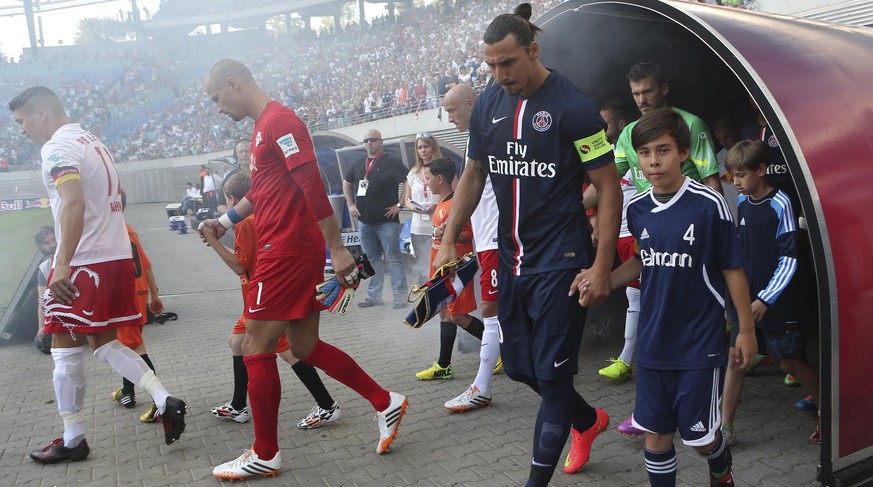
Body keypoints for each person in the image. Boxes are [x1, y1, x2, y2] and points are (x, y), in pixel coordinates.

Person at [432, 6, 622, 485]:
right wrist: (449, 238)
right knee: (519, 368)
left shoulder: (574, 107)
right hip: (513, 261)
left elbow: (610, 186)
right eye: (491, 66)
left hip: (562, 262)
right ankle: (586, 419)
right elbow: (473, 173)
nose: (500, 75)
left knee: (554, 380)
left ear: (533, 51)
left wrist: (601, 267)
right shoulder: (490, 105)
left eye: (508, 63)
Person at [201, 60, 408, 480]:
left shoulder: (282, 122)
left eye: (216, 98)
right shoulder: (263, 128)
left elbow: (313, 185)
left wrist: (337, 249)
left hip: (286, 251)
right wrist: (223, 223)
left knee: (254, 347)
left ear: (234, 83)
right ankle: (386, 401)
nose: (217, 107)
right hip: (288, 249)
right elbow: (260, 194)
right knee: (305, 344)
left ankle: (265, 453)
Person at [576, 107, 757, 487]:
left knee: (701, 438)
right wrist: (603, 280)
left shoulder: (709, 204)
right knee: (656, 437)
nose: (653, 161)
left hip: (697, 341)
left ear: (684, 153)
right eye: (645, 153)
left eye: (663, 151)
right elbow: (643, 260)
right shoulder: (638, 209)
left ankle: (721, 467)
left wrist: (745, 330)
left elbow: (732, 268)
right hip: (653, 342)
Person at [9, 86, 186, 464]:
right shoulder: (94, 141)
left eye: (22, 121)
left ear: (41, 113)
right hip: (116, 255)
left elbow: (73, 202)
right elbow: (116, 195)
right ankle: (163, 397)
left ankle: (74, 439)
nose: (21, 130)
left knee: (63, 351)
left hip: (84, 263)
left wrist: (62, 262)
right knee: (104, 343)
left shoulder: (57, 148)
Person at [202, 172, 342, 430]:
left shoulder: (246, 223)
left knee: (290, 352)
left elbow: (238, 266)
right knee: (237, 342)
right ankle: (238, 405)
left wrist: (212, 241)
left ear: (233, 200)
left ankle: (326, 405)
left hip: (265, 299)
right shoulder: (260, 217)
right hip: (257, 298)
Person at [721, 139, 821, 446]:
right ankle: (725, 429)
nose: (735, 182)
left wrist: (766, 297)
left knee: (789, 363)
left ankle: (827, 412)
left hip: (780, 303)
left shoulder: (782, 203)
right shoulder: (741, 203)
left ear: (761, 170)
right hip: (747, 301)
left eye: (741, 175)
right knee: (736, 358)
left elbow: (789, 257)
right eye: (732, 176)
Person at [440, 83, 504, 411]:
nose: (448, 118)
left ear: (469, 103)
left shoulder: (491, 131)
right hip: (487, 239)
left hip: (498, 239)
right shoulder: (474, 136)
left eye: (452, 110)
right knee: (499, 310)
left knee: (490, 310)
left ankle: (481, 385)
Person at [414, 158, 486, 382]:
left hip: (455, 270)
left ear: (440, 179)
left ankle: (501, 351)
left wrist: (448, 234)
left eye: (428, 179)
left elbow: (468, 236)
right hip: (441, 270)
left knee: (459, 317)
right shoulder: (442, 203)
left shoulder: (457, 204)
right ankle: (444, 365)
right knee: (445, 313)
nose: (426, 184)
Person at [607, 62, 722, 197]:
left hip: (687, 212)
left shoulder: (691, 124)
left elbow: (710, 181)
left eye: (647, 91)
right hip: (649, 215)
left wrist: (716, 215)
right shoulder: (627, 133)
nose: (641, 100)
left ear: (664, 89)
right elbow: (607, 180)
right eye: (636, 94)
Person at [110, 189, 167, 423]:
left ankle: (160, 401)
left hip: (124, 301)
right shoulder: (127, 228)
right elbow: (147, 265)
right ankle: (128, 391)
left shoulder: (110, 232)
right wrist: (153, 295)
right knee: (128, 348)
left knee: (134, 350)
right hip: (138, 296)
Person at [342, 128, 409, 310]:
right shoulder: (358, 164)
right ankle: (374, 296)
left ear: (380, 141)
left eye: (372, 139)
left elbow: (408, 181)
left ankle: (400, 296)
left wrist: (401, 205)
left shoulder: (392, 162)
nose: (369, 143)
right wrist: (350, 204)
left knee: (393, 258)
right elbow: (347, 183)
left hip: (387, 221)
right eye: (366, 140)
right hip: (364, 221)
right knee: (371, 259)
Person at [400, 133, 443, 284]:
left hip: (438, 227)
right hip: (418, 229)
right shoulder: (412, 173)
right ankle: (426, 301)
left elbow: (454, 195)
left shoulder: (443, 168)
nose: (423, 150)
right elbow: (407, 200)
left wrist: (436, 205)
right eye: (419, 147)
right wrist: (414, 208)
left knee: (438, 269)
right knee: (422, 270)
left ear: (433, 147)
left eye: (426, 146)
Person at [34, 226, 57, 354]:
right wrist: (42, 327)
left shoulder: (77, 257)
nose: (52, 244)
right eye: (47, 242)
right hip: (61, 315)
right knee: (40, 341)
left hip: (83, 311)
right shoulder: (44, 267)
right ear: (41, 246)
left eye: (54, 239)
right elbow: (42, 301)